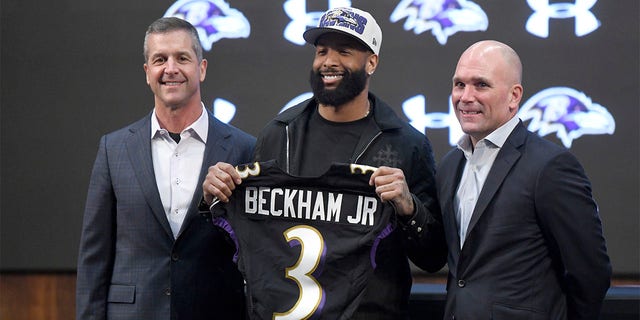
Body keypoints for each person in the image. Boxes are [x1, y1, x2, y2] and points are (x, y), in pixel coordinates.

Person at [202, 7, 446, 319]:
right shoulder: (279, 134)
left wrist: (409, 207)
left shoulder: (406, 144)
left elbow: (433, 256)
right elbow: (249, 242)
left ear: (371, 62)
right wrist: (213, 199)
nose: (328, 61)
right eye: (321, 51)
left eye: (344, 51)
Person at [76, 17, 255, 320]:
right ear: (147, 73)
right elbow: (94, 258)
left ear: (202, 68)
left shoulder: (243, 148)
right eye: (160, 59)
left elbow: (254, 250)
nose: (170, 68)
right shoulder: (114, 149)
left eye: (182, 58)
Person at [437, 40, 611, 319]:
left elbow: (590, 271)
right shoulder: (449, 165)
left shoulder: (550, 166)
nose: (465, 96)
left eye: (481, 84)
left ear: (514, 96)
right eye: (459, 84)